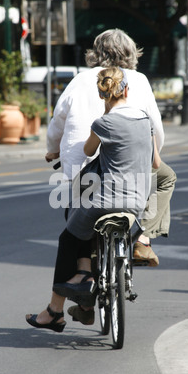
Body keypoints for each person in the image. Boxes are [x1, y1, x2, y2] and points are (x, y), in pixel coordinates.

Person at [26, 67, 160, 330]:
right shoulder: (146, 122)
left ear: (103, 95)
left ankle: (57, 308)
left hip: (105, 201)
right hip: (137, 202)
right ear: (127, 90)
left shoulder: (103, 124)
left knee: (69, 236)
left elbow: (88, 150)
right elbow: (156, 162)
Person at [46, 29, 176, 267]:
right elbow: (156, 130)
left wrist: (53, 148)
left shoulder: (80, 80)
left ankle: (82, 278)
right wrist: (149, 149)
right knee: (165, 178)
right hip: (130, 172)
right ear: (131, 54)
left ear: (96, 53)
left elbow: (58, 122)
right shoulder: (139, 80)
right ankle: (143, 238)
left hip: (84, 172)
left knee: (76, 206)